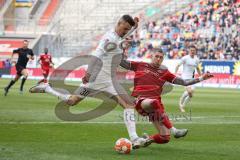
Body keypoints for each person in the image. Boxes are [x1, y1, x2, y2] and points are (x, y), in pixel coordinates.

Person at [29, 15, 148, 148]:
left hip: (108, 81)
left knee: (127, 105)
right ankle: (47, 88)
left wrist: (135, 27)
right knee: (72, 101)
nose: (126, 32)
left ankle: (134, 138)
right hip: (95, 80)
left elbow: (125, 33)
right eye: (124, 29)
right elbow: (95, 56)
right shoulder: (109, 39)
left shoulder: (119, 35)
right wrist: (88, 73)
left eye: (127, 30)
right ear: (119, 23)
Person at [119, 48, 213, 146]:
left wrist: (202, 78)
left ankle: (145, 140)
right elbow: (122, 63)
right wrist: (121, 50)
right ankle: (174, 130)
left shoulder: (164, 72)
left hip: (154, 107)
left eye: (161, 57)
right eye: (156, 56)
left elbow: (184, 82)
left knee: (165, 138)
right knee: (153, 102)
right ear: (151, 56)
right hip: (141, 101)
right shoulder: (140, 65)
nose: (158, 59)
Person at [175, 45, 202, 112]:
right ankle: (181, 105)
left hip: (192, 78)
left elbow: (197, 68)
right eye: (191, 50)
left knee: (190, 95)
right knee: (189, 92)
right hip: (184, 78)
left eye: (194, 50)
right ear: (189, 51)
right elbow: (178, 65)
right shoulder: (185, 58)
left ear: (195, 51)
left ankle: (182, 105)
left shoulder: (196, 60)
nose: (192, 51)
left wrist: (201, 76)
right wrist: (175, 74)